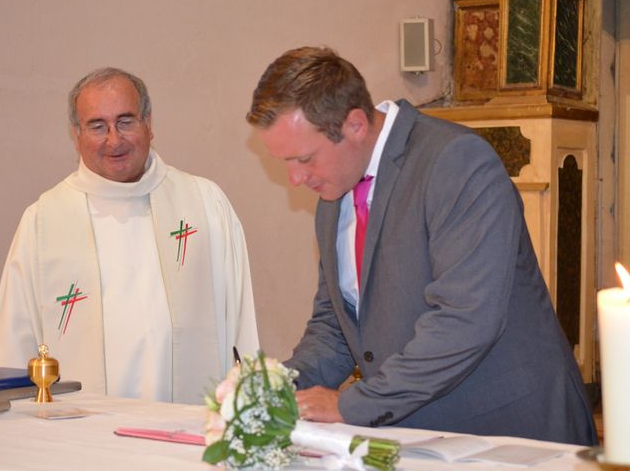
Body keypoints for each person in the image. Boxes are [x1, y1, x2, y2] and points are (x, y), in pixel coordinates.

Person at [246, 46, 597, 445]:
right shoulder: (335, 193)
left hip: (507, 430)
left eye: (304, 159)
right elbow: (337, 326)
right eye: (286, 164)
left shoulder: (454, 162)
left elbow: (465, 320)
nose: (295, 179)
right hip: (422, 434)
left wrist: (348, 405)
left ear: (355, 125)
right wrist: (276, 388)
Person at [0, 68, 259, 404]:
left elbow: (241, 323)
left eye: (126, 121)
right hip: (82, 442)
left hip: (190, 427)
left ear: (149, 122)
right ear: (77, 134)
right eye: (97, 126)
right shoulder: (43, 222)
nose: (113, 140)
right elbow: (14, 344)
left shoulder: (205, 204)